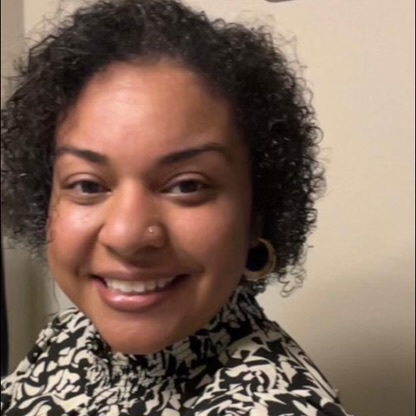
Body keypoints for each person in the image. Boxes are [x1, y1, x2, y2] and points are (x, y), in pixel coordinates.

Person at [0, 0, 351, 415]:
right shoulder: (68, 335)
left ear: (257, 212)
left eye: (186, 186)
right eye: (88, 185)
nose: (126, 234)